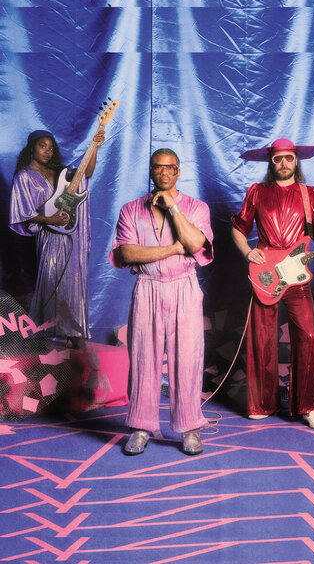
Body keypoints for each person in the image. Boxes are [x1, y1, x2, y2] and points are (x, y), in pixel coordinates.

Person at [231, 138, 314, 430]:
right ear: (270, 162)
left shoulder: (309, 194)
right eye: (278, 159)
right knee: (262, 337)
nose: (284, 163)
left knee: (307, 335)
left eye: (289, 158)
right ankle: (262, 403)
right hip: (266, 274)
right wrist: (247, 252)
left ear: (296, 161)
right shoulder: (257, 191)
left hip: (298, 277)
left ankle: (309, 406)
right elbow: (238, 228)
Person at [110, 148, 213, 456]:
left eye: (170, 168)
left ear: (178, 172)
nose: (164, 172)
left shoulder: (197, 208)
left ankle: (189, 427)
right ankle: (141, 427)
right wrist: (174, 249)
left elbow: (195, 244)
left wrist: (173, 208)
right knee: (143, 358)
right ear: (151, 171)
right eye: (158, 167)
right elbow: (127, 253)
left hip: (184, 287)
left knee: (188, 358)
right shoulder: (131, 209)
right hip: (147, 287)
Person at [9, 129, 105, 347]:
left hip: (73, 234)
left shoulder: (60, 172)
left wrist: (95, 147)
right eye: (42, 146)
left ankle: (75, 334)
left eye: (51, 148)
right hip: (50, 236)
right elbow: (23, 210)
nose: (47, 151)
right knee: (52, 281)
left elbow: (86, 174)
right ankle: (44, 331)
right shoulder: (24, 176)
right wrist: (49, 220)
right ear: (31, 147)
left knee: (74, 282)